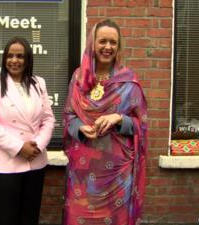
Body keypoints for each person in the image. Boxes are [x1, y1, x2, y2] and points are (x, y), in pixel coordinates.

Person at [63, 19, 148, 225]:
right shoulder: (79, 78)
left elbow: (142, 123)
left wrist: (118, 118)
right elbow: (68, 115)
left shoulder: (128, 81)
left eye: (113, 42)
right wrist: (81, 128)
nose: (107, 47)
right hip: (83, 171)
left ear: (119, 47)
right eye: (103, 41)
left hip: (117, 173)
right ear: (93, 44)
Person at [0, 36, 55, 225]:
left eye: (20, 56)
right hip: (4, 164)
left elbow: (48, 119)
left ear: (28, 59)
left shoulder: (39, 83)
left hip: (34, 162)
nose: (14, 60)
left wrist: (37, 146)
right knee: (6, 219)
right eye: (10, 56)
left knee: (29, 218)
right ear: (4, 58)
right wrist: (20, 147)